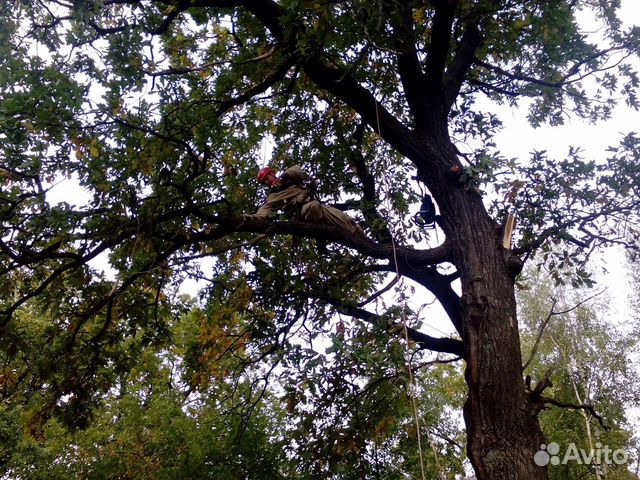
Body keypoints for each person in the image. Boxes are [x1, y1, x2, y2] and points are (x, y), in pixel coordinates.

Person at [251, 165, 365, 237]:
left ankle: (364, 240)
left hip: (321, 208)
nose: (266, 182)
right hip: (304, 212)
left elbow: (297, 170)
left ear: (272, 173)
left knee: (347, 220)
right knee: (313, 206)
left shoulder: (289, 179)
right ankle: (320, 232)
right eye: (264, 182)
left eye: (266, 178)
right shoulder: (273, 196)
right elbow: (266, 209)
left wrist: (284, 178)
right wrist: (255, 218)